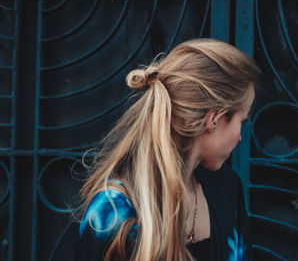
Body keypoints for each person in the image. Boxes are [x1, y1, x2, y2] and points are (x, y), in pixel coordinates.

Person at [75, 38, 261, 261]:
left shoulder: (227, 187)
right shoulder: (112, 211)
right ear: (214, 119)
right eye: (242, 121)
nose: (241, 136)